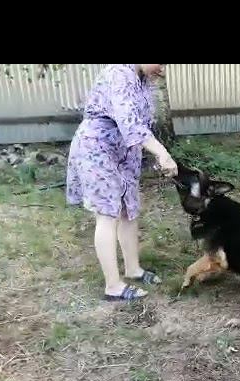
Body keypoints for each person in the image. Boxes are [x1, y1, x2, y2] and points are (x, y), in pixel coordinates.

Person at [66, 64, 178, 301]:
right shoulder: (118, 74)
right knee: (108, 214)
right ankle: (113, 286)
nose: (163, 69)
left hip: (124, 151)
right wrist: (162, 153)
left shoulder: (142, 78)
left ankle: (133, 269)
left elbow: (142, 122)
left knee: (129, 209)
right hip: (98, 148)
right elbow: (130, 123)